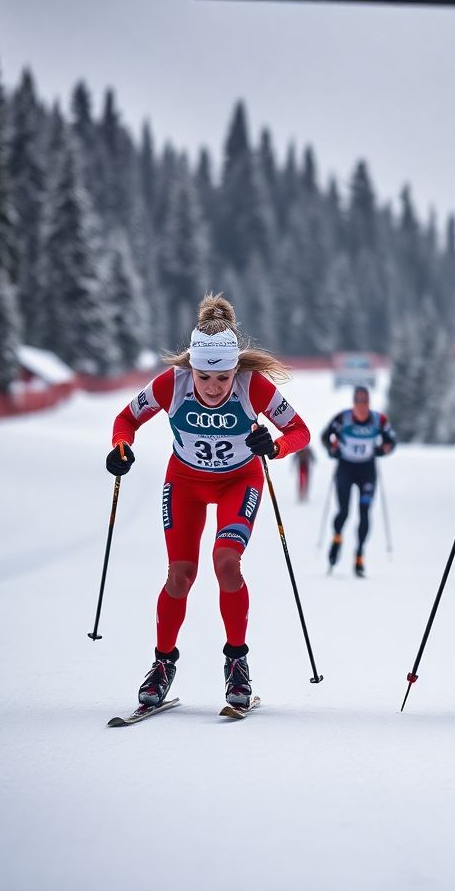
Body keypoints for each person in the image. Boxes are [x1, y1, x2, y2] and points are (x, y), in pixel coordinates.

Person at [106, 293, 310, 710]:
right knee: (180, 574)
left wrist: (274, 446)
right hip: (185, 482)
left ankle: (237, 663)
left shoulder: (253, 386)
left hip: (239, 481)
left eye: (224, 377)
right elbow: (126, 419)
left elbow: (300, 431)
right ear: (191, 369)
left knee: (226, 561)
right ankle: (162, 666)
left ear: (237, 367)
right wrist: (121, 447)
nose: (215, 387)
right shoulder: (172, 383)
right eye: (204, 377)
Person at [320, 386, 397, 577]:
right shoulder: (342, 419)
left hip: (367, 471)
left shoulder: (379, 420)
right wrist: (333, 449)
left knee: (364, 512)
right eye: (359, 402)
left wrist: (383, 449)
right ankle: (337, 540)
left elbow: (391, 441)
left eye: (365, 402)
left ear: (369, 403)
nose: (362, 406)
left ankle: (359, 555)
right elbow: (325, 437)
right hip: (345, 469)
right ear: (353, 403)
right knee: (344, 512)